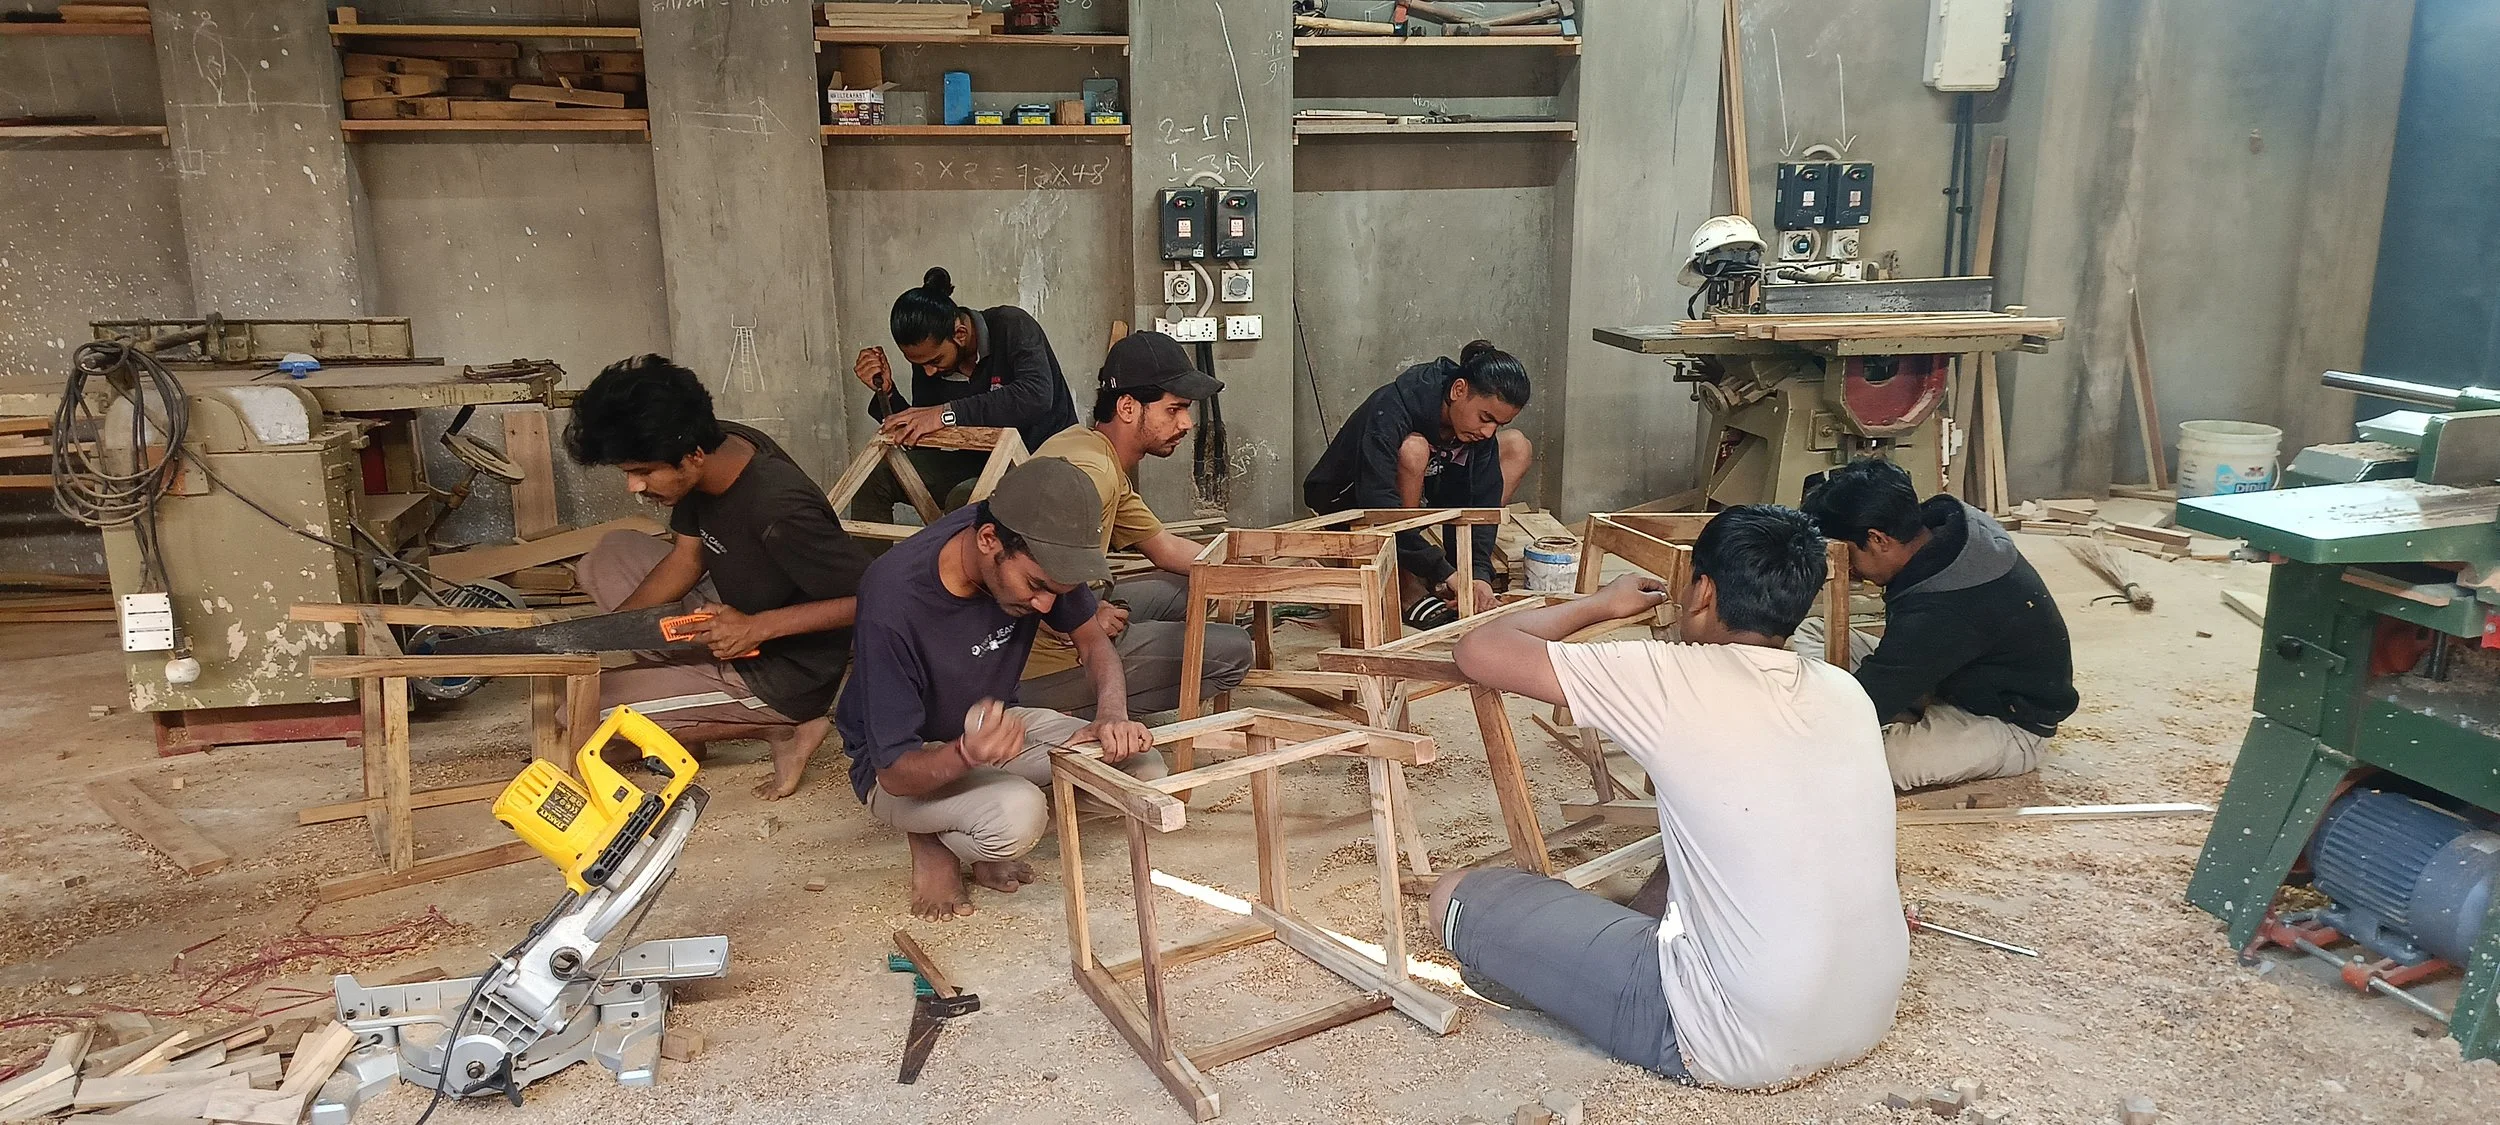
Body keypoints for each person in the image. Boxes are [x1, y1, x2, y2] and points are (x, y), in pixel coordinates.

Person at [1435, 505, 1905, 1090]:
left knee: (1457, 895)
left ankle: (1616, 977)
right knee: (1696, 836)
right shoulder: (1844, 690)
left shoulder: (1666, 674)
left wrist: (1603, 603)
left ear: (1703, 592)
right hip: (1868, 1009)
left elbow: (1481, 649)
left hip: (1728, 1042)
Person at [836, 457, 1165, 921]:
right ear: (988, 541)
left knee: (1141, 768)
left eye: (1056, 590)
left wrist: (1112, 715)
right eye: (1035, 586)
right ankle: (939, 834)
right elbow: (893, 773)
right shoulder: (892, 598)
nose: (1046, 604)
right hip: (905, 764)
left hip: (996, 730)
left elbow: (1092, 641)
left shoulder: (1040, 550)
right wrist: (968, 755)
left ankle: (968, 820)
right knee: (1017, 816)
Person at [565, 355, 872, 801]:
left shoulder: (780, 508)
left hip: (785, 671)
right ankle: (685, 701)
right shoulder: (715, 443)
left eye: (643, 472)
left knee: (578, 712)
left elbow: (871, 598)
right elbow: (687, 559)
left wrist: (757, 627)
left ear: (692, 457)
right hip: (737, 609)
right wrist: (608, 632)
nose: (633, 486)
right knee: (610, 554)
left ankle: (786, 727)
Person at [1799, 458, 2077, 790]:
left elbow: (1867, 702)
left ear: (1877, 539)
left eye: (1848, 554)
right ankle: (1909, 711)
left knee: (1871, 763)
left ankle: (1904, 721)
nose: (1847, 568)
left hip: (2009, 722)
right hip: (1955, 677)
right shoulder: (1945, 530)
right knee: (1813, 631)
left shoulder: (1945, 606)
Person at [1019, 331, 1254, 715]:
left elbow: (1165, 547)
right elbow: (1021, 554)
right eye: (1174, 410)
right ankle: (1063, 713)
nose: (1187, 424)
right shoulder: (1092, 471)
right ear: (1128, 407)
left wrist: (1256, 573)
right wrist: (1084, 614)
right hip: (1043, 662)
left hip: (1067, 616)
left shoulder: (1092, 449)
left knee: (1193, 586)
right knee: (1234, 651)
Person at [1302, 339, 1533, 630]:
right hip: (1352, 504)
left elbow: (1481, 506)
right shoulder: (1392, 407)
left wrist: (1476, 575)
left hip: (1422, 498)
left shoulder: (1479, 431)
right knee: (1414, 450)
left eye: (1497, 423)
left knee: (1516, 446)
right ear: (1458, 390)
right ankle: (1405, 584)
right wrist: (1444, 573)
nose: (1488, 431)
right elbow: (1380, 511)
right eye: (1485, 418)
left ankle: (1445, 572)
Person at [849, 266, 1081, 522]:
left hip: (1042, 462)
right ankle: (869, 564)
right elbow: (927, 432)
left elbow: (1035, 396)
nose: (928, 371)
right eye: (918, 363)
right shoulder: (929, 363)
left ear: (960, 334)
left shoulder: (1012, 326)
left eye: (935, 360)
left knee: (966, 499)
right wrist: (887, 393)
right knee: (875, 479)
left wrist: (947, 414)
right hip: (978, 463)